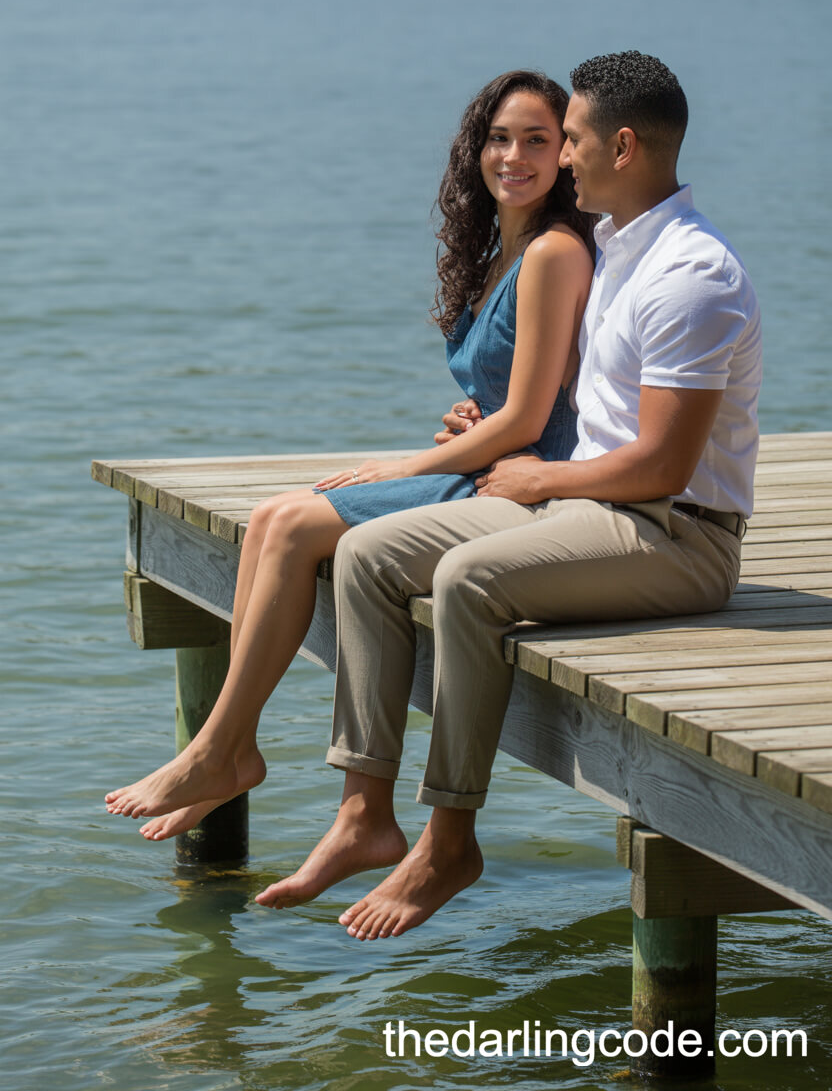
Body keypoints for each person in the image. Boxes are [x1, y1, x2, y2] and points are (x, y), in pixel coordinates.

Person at [257, 50, 762, 939]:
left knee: (468, 580)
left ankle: (450, 841)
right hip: (588, 510)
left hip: (678, 537)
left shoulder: (692, 276)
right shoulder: (615, 250)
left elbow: (662, 468)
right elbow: (568, 399)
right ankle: (364, 814)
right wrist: (488, 424)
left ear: (623, 146)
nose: (560, 158)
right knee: (368, 555)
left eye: (570, 139)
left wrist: (540, 475)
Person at [104, 69, 596, 840]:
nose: (514, 156)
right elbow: (511, 394)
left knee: (293, 527)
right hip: (483, 462)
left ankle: (220, 754)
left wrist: (407, 465)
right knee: (272, 518)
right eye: (500, 138)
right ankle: (225, 750)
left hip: (520, 486)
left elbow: (530, 418)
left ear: (565, 154)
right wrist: (467, 423)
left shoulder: (552, 253)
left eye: (537, 140)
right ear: (475, 149)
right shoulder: (500, 252)